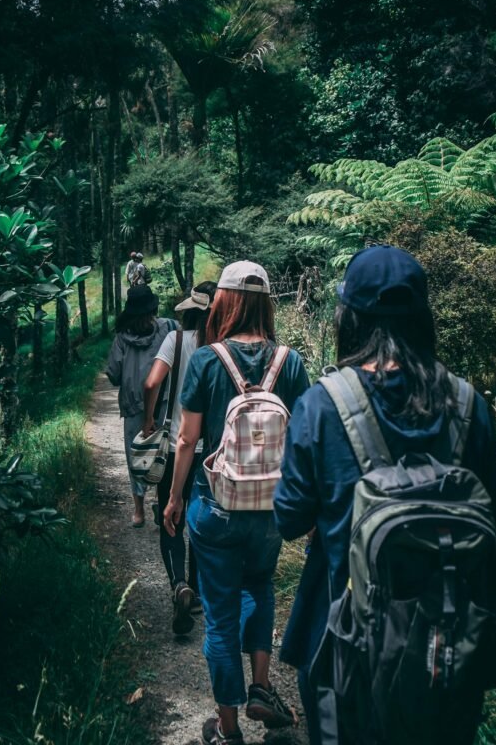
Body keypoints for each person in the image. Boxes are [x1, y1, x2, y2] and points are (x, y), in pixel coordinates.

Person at [273, 245, 496, 745]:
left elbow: (288, 518)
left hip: (346, 652)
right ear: (422, 318)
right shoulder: (466, 405)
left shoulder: (322, 406)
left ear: (349, 317)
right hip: (447, 651)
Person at [163, 261, 310, 745]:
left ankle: (227, 730)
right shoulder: (289, 361)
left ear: (222, 301)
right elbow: (304, 437)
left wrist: (175, 497)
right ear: (266, 303)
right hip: (271, 507)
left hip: (216, 503)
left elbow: (186, 441)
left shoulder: (208, 360)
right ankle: (262, 688)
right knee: (260, 587)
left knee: (220, 615)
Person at [143, 281, 218, 636]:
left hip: (176, 447)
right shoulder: (222, 348)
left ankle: (178, 584)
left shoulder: (175, 341)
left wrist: (148, 419)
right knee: (200, 520)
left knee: (169, 518)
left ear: (189, 310)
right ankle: (199, 590)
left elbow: (150, 383)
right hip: (213, 454)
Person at [105, 285, 178, 527]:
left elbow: (113, 374)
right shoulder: (168, 327)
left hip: (134, 405)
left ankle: (139, 511)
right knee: (165, 453)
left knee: (136, 456)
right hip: (165, 403)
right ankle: (161, 500)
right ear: (153, 307)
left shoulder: (121, 338)